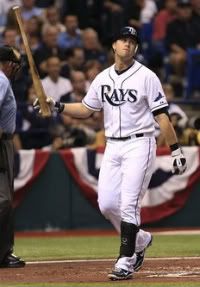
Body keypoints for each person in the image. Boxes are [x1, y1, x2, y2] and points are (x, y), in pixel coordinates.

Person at [33, 26, 187, 280]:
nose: (127, 44)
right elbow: (86, 108)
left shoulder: (147, 77)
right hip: (113, 145)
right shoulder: (103, 77)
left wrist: (175, 148)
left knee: (128, 204)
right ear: (113, 45)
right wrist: (57, 105)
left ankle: (125, 259)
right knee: (106, 204)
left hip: (140, 143)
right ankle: (140, 239)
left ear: (136, 48)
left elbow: (161, 115)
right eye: (122, 40)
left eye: (131, 41)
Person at [0, 45, 25, 268]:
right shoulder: (1, 80)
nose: (16, 69)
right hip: (1, 143)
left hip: (4, 142)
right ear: (8, 63)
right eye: (15, 64)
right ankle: (4, 253)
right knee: (4, 200)